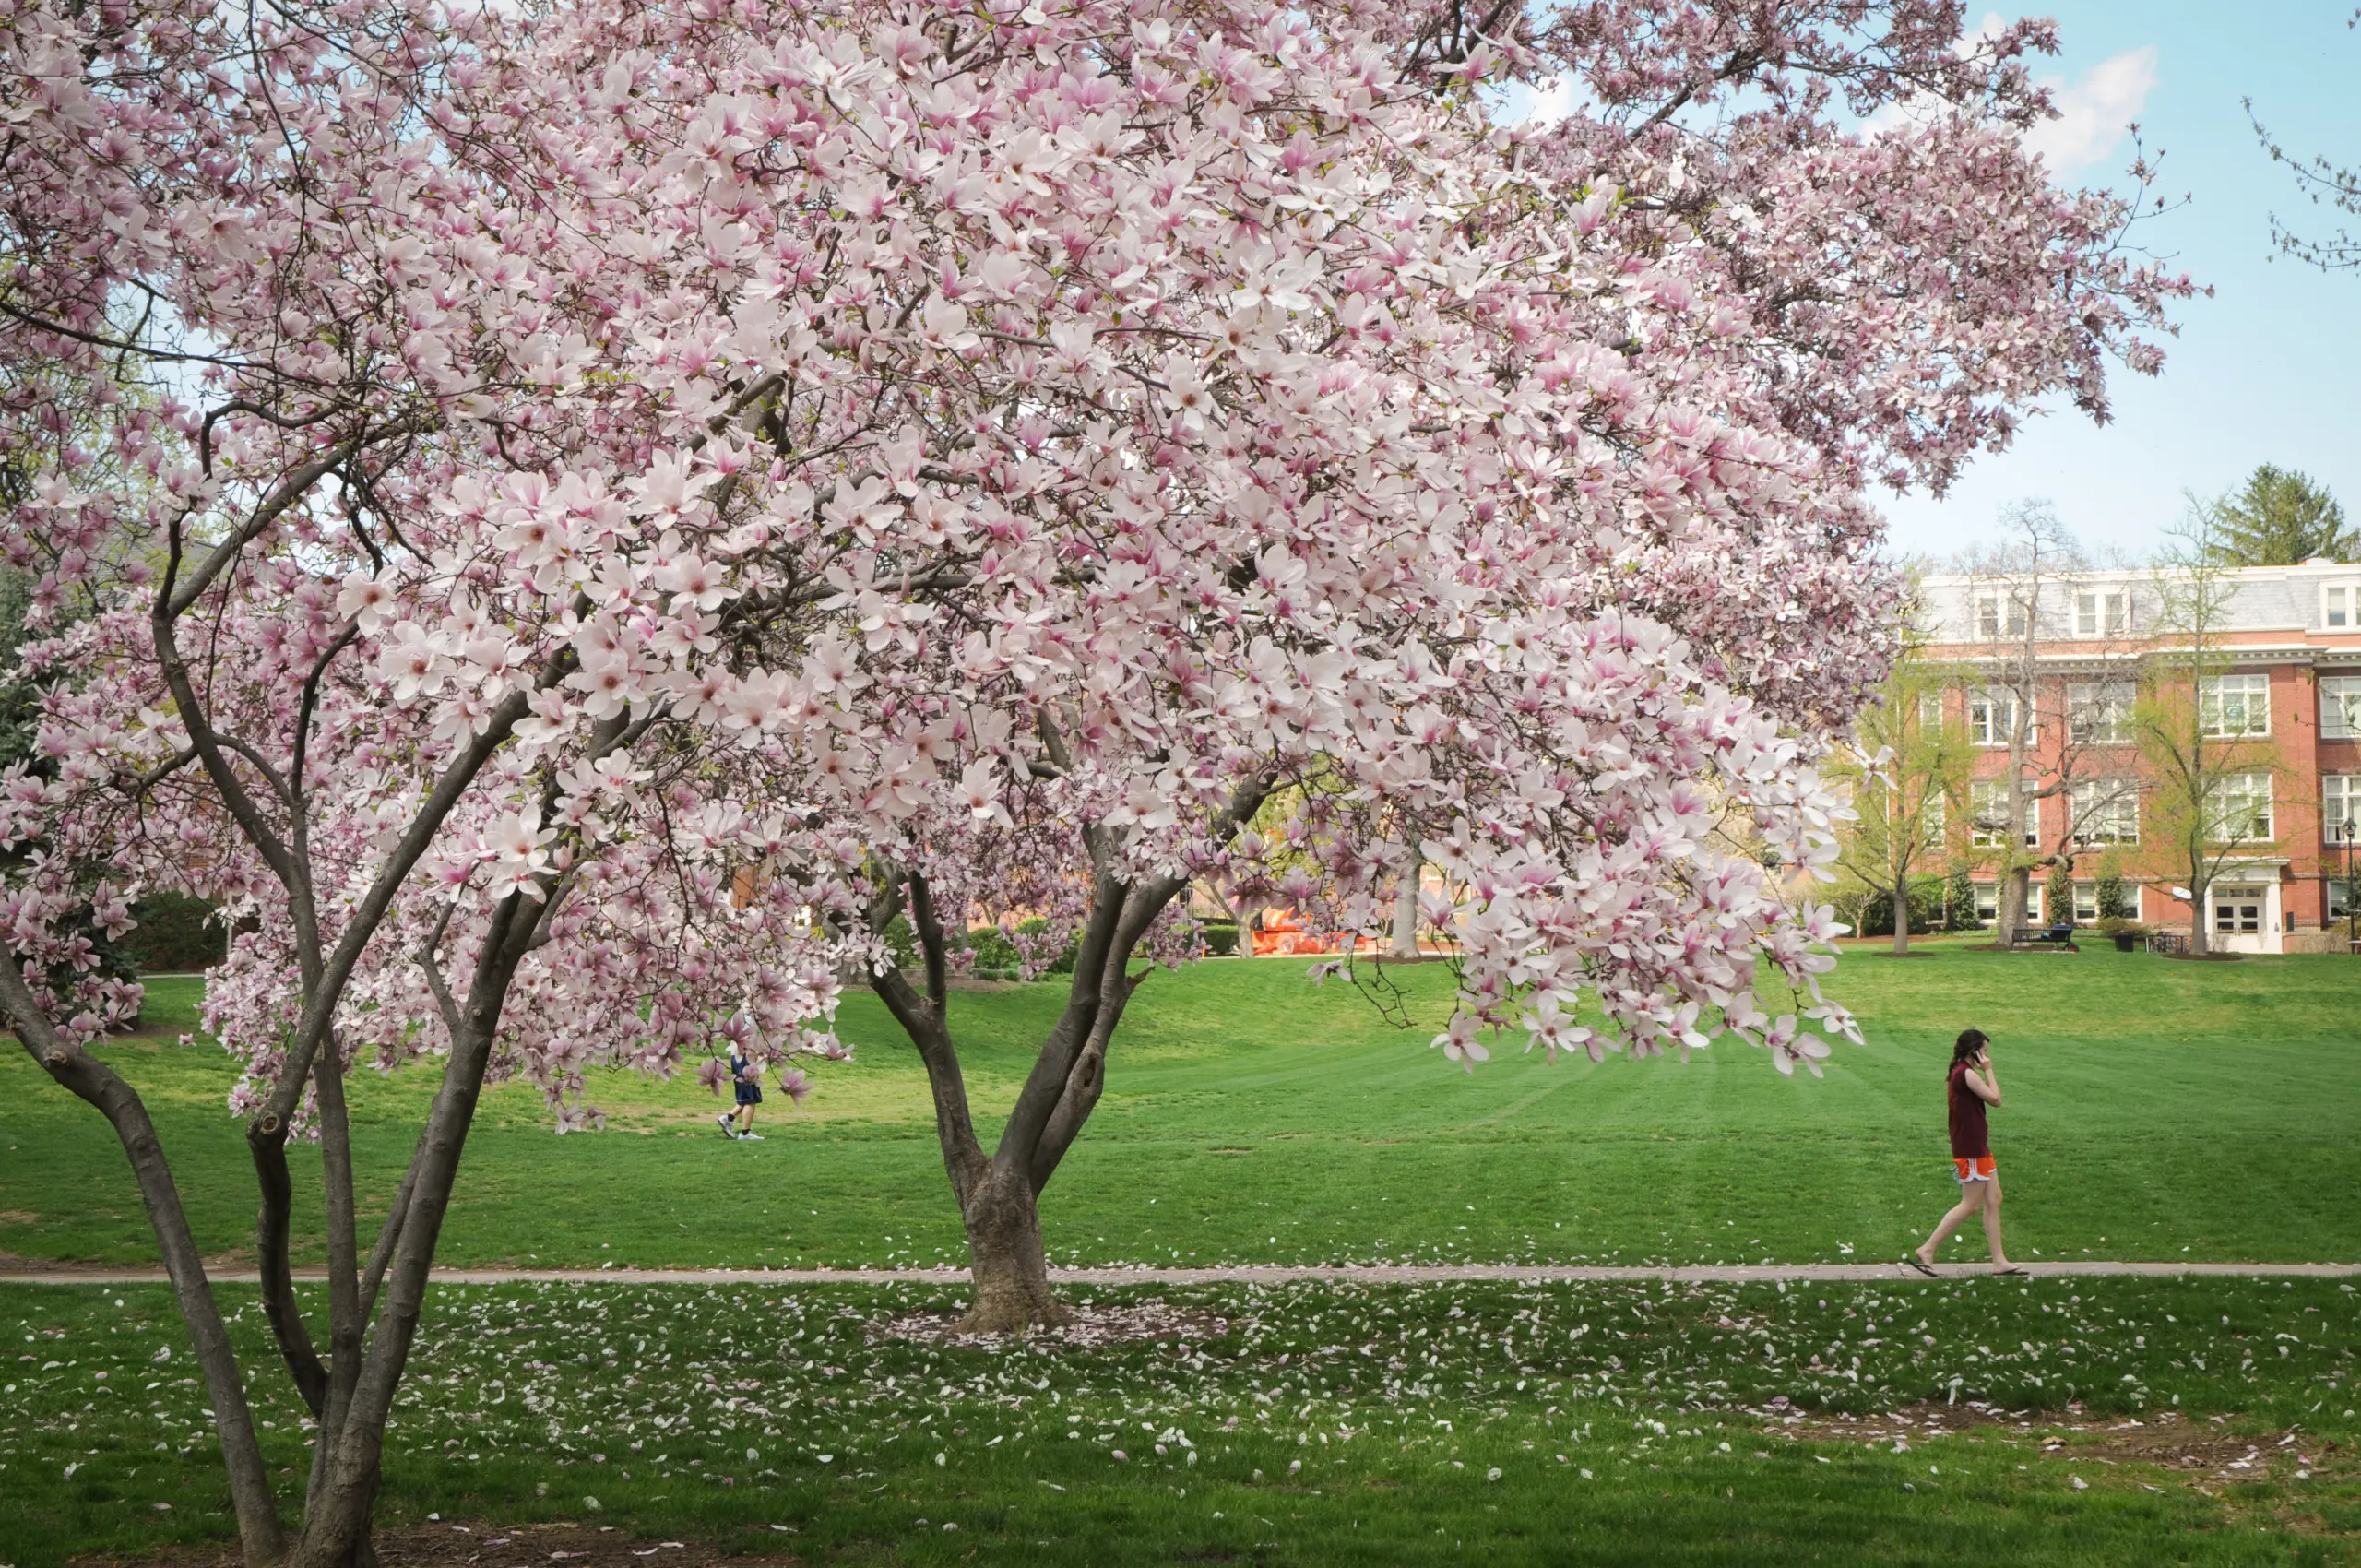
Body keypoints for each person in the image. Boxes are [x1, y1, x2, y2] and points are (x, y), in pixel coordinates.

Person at [1905, 1028, 2023, 1277]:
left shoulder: (1960, 1071)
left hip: (1978, 1146)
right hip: (1971, 1148)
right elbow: (1996, 1100)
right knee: (1970, 1205)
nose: (1986, 1056)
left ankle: (1999, 1261)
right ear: (1974, 1052)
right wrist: (1988, 1069)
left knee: (1994, 1199)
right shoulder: (1967, 1074)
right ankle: (1927, 1249)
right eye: (1984, 1052)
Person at [717, 1031, 764, 1141]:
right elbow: (746, 1042)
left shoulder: (739, 1015)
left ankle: (728, 1118)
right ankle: (745, 1133)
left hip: (737, 1058)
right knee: (750, 1099)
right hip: (745, 1058)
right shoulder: (747, 1017)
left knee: (747, 1096)